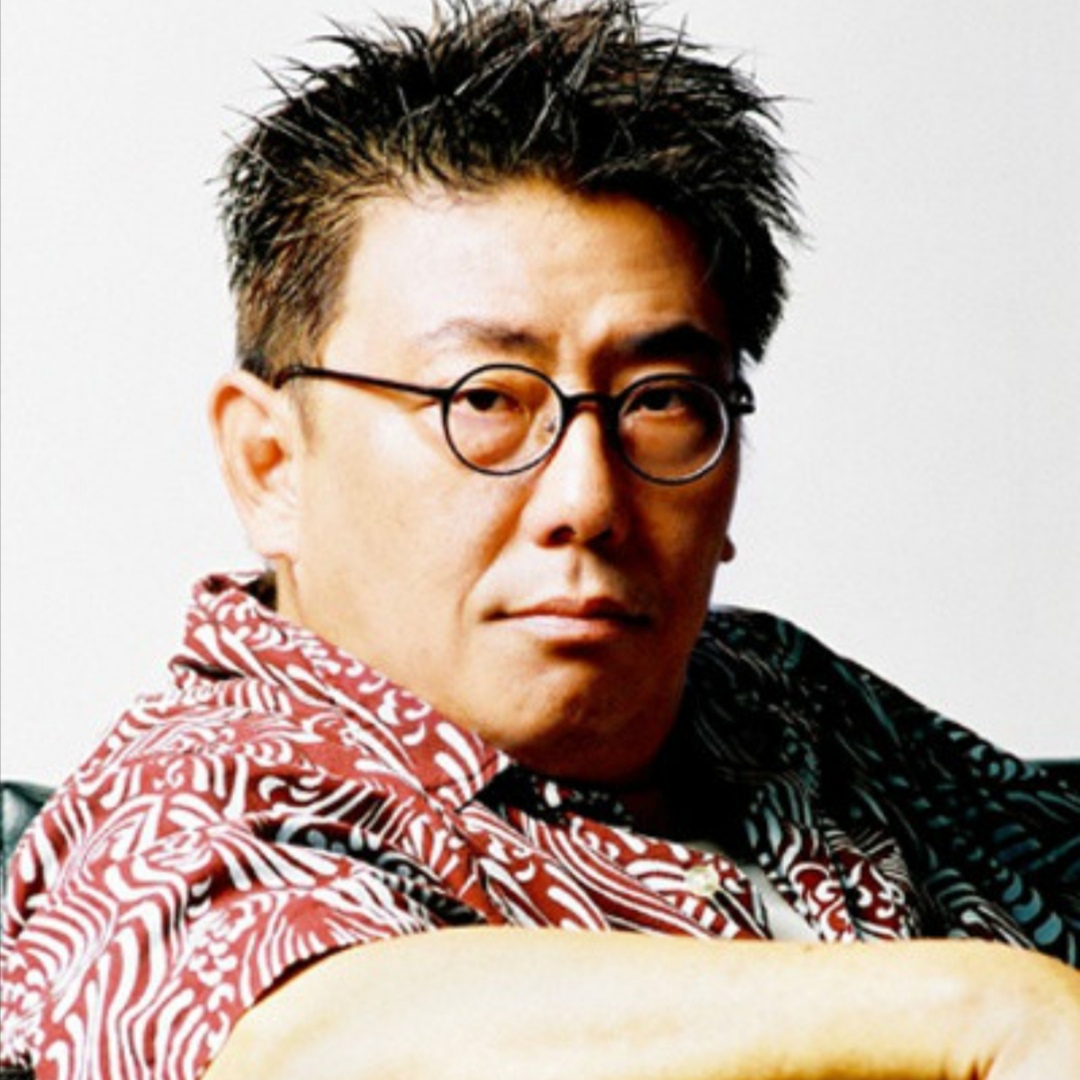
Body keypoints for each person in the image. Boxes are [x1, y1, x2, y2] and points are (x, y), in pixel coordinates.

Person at [2, 1, 1078, 1077]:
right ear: (270, 463)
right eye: (484, 400)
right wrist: (987, 1015)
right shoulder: (182, 811)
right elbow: (299, 1046)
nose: (589, 498)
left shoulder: (784, 701)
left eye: (662, 400)